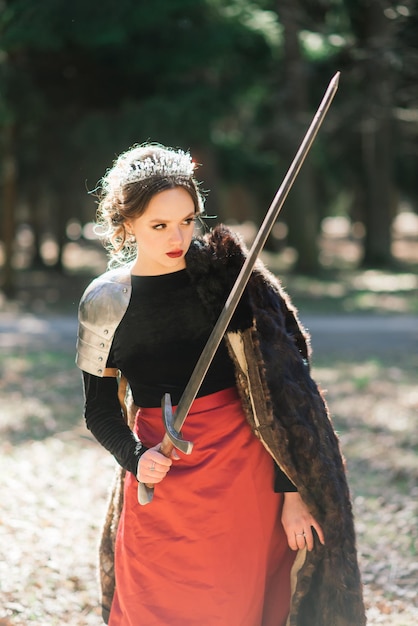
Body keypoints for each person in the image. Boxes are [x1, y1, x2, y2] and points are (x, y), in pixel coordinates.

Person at [76, 143, 365, 626]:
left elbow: (287, 395)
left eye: (188, 220)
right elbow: (99, 408)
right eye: (160, 225)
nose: (178, 236)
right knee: (148, 605)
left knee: (235, 608)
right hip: (158, 472)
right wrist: (135, 458)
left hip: (245, 471)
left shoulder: (229, 281)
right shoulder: (105, 301)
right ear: (125, 224)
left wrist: (293, 494)